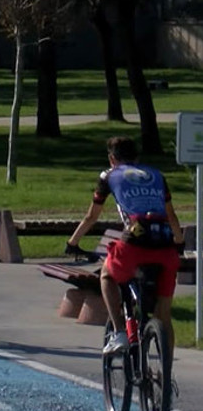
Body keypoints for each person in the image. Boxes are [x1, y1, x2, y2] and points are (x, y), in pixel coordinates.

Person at [66, 136, 184, 355]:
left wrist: (73, 242)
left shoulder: (108, 176)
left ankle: (120, 332)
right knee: (164, 315)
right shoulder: (156, 175)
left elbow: (91, 217)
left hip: (134, 243)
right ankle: (165, 375)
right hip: (165, 246)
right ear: (137, 157)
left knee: (107, 275)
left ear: (112, 158)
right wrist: (179, 242)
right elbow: (172, 216)